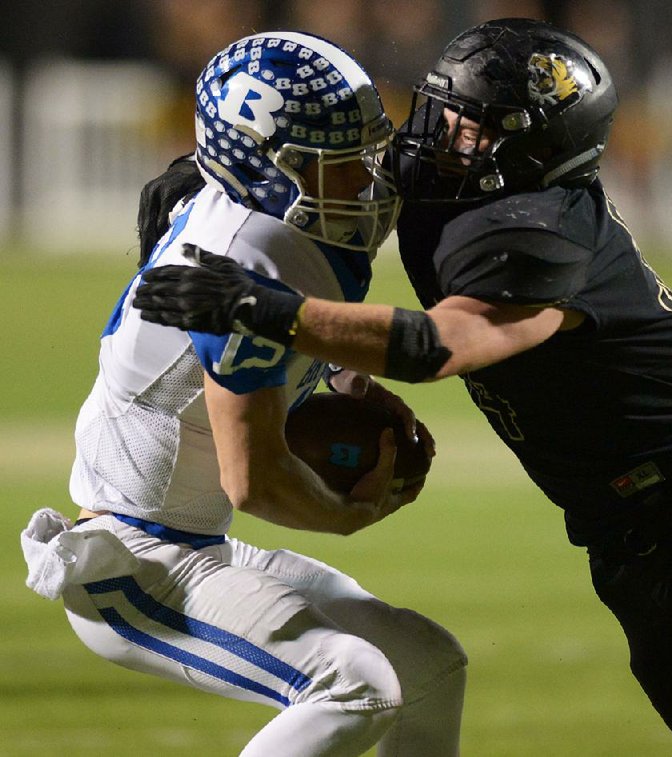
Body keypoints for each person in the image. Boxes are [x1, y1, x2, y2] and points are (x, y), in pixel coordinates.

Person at [133, 18, 672, 757]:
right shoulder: (457, 176)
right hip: (625, 536)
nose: (438, 131)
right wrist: (211, 167)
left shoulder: (541, 229)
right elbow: (335, 167)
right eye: (442, 107)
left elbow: (439, 345)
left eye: (469, 123)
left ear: (529, 151)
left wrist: (264, 309)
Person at [20, 31, 468, 757]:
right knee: (355, 682)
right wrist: (347, 511)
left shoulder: (256, 216)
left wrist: (342, 379)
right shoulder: (247, 256)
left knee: (429, 664)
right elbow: (253, 478)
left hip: (191, 540)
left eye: (363, 151)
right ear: (266, 169)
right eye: (338, 162)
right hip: (135, 564)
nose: (367, 178)